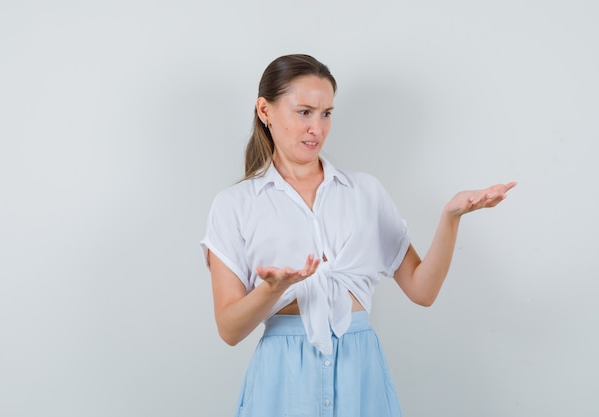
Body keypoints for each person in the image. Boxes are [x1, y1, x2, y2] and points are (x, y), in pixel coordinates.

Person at [200, 54, 515, 417]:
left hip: (360, 373)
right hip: (282, 381)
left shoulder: (365, 192)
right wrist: (272, 289)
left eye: (326, 113)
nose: (316, 128)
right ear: (265, 110)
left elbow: (422, 290)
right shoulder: (234, 204)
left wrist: (451, 217)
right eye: (304, 112)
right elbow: (229, 329)